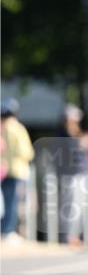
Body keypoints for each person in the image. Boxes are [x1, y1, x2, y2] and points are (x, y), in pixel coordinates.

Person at [1, 98, 35, 242]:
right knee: (12, 201)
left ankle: (8, 230)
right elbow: (24, 150)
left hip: (10, 168)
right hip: (16, 168)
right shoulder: (14, 127)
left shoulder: (6, 127)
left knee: (11, 201)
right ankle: (8, 231)